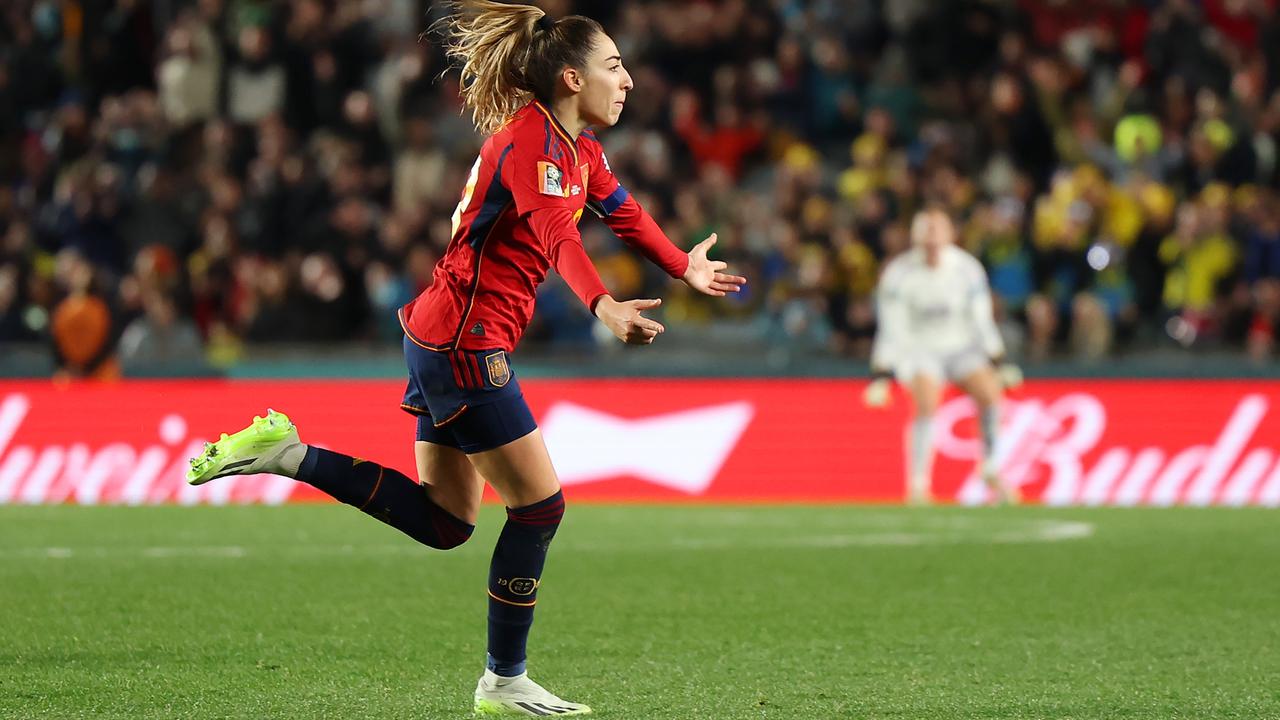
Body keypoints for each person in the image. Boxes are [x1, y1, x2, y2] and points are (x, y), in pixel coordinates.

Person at [185, 2, 745, 717]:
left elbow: (623, 213)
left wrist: (680, 267)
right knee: (540, 508)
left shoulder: (578, 151)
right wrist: (604, 306)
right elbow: (558, 237)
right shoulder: (531, 147)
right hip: (465, 344)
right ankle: (504, 681)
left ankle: (288, 454)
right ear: (572, 78)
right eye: (614, 66)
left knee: (448, 520)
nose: (628, 80)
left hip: (440, 334)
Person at [863, 207, 1021, 505]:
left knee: (990, 394)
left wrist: (998, 361)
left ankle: (990, 468)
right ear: (915, 237)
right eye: (925, 231)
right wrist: (881, 374)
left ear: (950, 235)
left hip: (960, 346)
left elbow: (981, 320)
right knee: (926, 401)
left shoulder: (967, 269)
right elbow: (891, 328)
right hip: (919, 349)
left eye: (937, 230)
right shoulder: (898, 274)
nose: (932, 239)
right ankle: (919, 485)